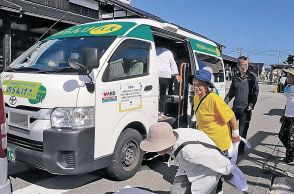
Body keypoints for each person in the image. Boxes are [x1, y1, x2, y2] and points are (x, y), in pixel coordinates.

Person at [140, 122, 233, 194]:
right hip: (188, 165)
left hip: (208, 170)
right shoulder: (171, 133)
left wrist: (228, 172)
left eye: (158, 147)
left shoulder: (190, 153)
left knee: (204, 190)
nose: (157, 151)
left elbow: (219, 161)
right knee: (176, 191)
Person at [224, 56, 259, 154]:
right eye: (242, 65)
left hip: (246, 109)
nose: (244, 67)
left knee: (243, 130)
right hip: (235, 109)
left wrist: (252, 104)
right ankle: (230, 146)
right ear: (238, 65)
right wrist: (224, 103)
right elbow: (231, 93)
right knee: (230, 128)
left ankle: (240, 149)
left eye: (246, 65)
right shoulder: (235, 77)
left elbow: (255, 93)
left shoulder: (252, 77)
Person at [156, 46, 181, 117]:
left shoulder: (154, 49)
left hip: (156, 73)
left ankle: (155, 110)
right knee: (163, 94)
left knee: (154, 92)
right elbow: (172, 63)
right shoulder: (168, 52)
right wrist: (176, 74)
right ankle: (161, 112)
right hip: (165, 74)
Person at [279, 68, 294, 164]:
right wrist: (283, 114)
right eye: (287, 75)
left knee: (291, 139)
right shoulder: (288, 86)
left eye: (289, 76)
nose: (287, 77)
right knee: (282, 135)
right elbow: (287, 102)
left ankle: (290, 159)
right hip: (287, 116)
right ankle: (291, 153)